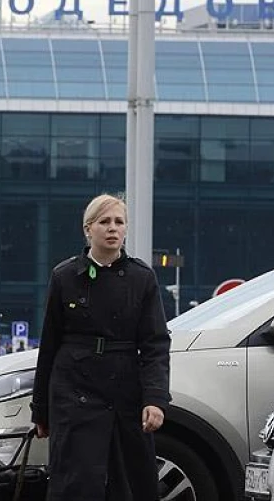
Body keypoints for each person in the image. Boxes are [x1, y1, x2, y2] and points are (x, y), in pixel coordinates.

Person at [31, 193, 171, 500]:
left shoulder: (142, 277)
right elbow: (49, 344)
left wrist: (156, 399)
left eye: (119, 222)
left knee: (131, 481)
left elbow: (155, 344)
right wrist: (41, 410)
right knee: (75, 481)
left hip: (125, 392)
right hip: (73, 390)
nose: (113, 228)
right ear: (88, 229)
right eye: (104, 222)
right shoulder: (64, 276)